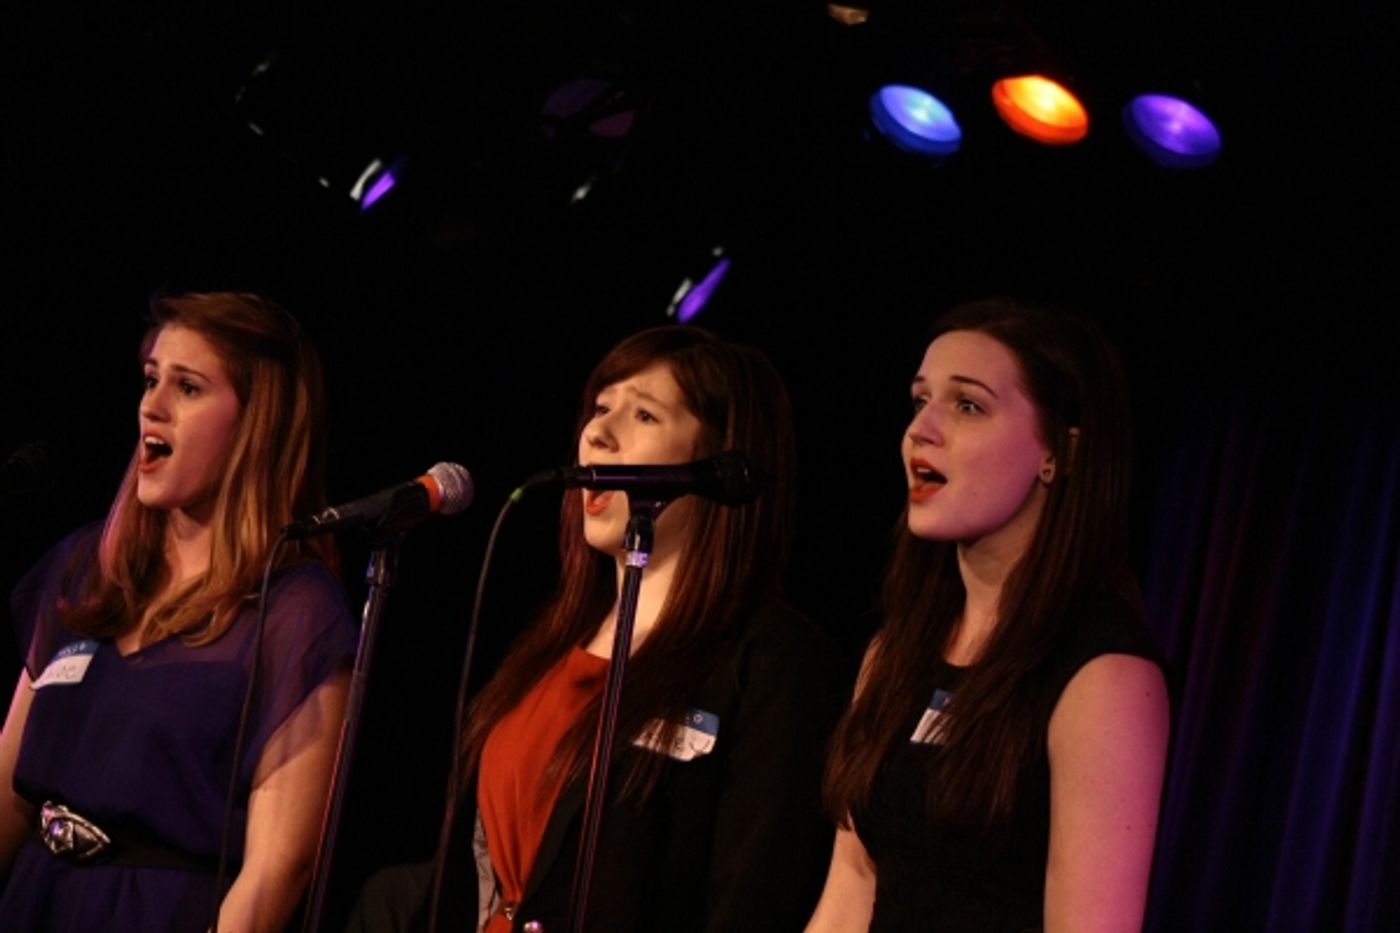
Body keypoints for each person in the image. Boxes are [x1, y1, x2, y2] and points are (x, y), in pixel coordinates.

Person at [348, 323, 847, 933]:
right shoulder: (553, 643)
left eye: (644, 414)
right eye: (601, 408)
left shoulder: (775, 664)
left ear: (725, 463)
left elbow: (752, 898)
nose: (597, 434)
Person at [805, 296, 1170, 932]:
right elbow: (849, 895)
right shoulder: (893, 655)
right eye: (921, 400)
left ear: (1057, 453)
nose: (922, 429)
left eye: (967, 405)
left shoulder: (1104, 676)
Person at [0, 291, 358, 932]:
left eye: (188, 387)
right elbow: (6, 791)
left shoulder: (293, 612)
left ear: (255, 426)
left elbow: (277, 869)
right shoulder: (87, 568)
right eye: (150, 380)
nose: (152, 405)